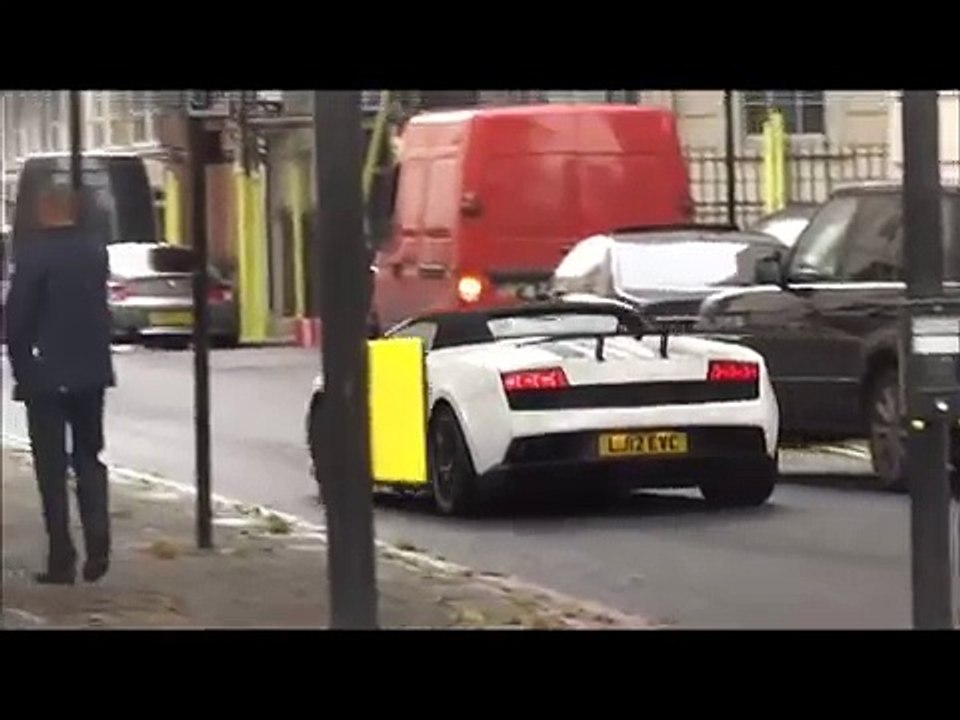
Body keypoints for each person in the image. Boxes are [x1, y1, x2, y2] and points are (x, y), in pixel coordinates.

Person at [6, 180, 115, 585]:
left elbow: (17, 320)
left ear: (46, 211)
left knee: (51, 470)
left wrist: (22, 366)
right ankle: (99, 539)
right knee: (89, 456)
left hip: (45, 377)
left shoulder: (34, 258)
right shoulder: (94, 252)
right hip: (91, 374)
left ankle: (61, 557)